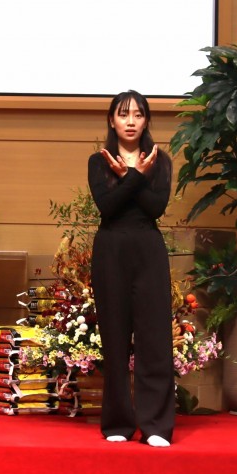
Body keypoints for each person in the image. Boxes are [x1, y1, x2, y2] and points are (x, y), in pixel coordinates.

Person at [87, 90, 174, 447]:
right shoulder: (98, 160)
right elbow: (107, 207)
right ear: (112, 120)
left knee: (155, 340)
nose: (131, 121)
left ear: (146, 120)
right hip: (111, 251)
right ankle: (119, 424)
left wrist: (133, 176)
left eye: (138, 115)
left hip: (148, 251)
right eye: (124, 115)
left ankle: (156, 426)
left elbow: (155, 208)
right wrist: (136, 176)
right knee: (116, 339)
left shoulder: (161, 159)